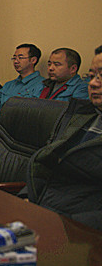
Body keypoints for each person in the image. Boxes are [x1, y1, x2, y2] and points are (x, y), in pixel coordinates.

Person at [27, 45, 102, 230]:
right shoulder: (79, 115)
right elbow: (46, 162)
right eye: (92, 76)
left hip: (77, 229)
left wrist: (66, 225)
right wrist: (26, 198)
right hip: (42, 209)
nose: (93, 83)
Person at [0, 43, 43, 120]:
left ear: (33, 60)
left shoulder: (42, 85)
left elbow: (34, 111)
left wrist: (3, 115)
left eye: (20, 58)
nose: (16, 61)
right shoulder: (9, 85)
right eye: (14, 58)